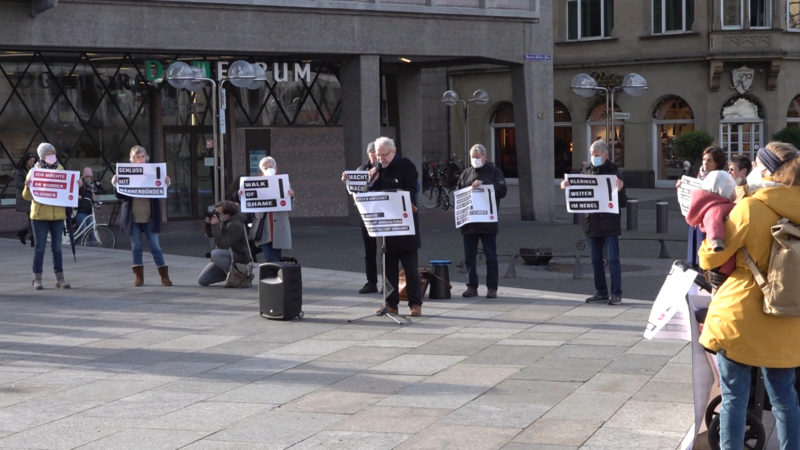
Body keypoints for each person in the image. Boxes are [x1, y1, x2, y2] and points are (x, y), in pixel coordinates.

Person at [698, 143, 800, 450]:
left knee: (734, 398)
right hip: (788, 317)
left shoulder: (751, 207)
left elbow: (712, 258)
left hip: (739, 319)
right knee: (785, 398)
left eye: (756, 163)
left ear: (767, 171)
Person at [560, 139, 624, 305]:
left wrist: (621, 188)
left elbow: (622, 201)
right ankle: (600, 292)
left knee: (613, 260)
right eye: (592, 155)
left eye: (597, 155)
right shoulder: (586, 169)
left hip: (609, 222)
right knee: (595, 260)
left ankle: (616, 294)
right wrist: (567, 185)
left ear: (606, 155)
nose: (594, 158)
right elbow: (579, 188)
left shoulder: (614, 171)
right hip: (592, 221)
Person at [369, 136, 422, 317]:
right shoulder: (375, 170)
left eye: (384, 155)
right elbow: (368, 198)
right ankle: (390, 304)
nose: (381, 159)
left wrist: (401, 193)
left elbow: (413, 191)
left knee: (411, 269)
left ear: (393, 152)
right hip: (386, 228)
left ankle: (415, 304)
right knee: (388, 269)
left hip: (405, 226)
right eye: (378, 155)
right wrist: (370, 182)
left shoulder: (407, 166)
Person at [112, 145, 172, 287]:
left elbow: (160, 192)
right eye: (137, 157)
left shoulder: (154, 172)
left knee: (155, 246)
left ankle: (164, 276)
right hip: (133, 218)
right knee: (136, 246)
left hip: (150, 217)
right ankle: (139, 277)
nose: (141, 159)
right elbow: (120, 195)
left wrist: (166, 185)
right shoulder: (126, 173)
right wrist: (116, 184)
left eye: (142, 156)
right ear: (132, 160)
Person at [457, 143, 507, 299]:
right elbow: (458, 192)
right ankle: (471, 286)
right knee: (469, 257)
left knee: (491, 256)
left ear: (484, 157)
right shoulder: (466, 174)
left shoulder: (494, 172)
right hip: (469, 222)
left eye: (478, 157)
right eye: (473, 157)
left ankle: (492, 288)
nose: (475, 160)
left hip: (487, 222)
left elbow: (502, 190)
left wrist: (485, 184)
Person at [22, 143, 72, 290]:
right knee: (40, 248)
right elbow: (26, 196)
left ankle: (60, 279)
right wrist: (27, 186)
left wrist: (75, 185)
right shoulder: (34, 171)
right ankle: (37, 278)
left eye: (53, 152)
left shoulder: (60, 169)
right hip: (39, 216)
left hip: (57, 215)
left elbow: (66, 190)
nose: (51, 155)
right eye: (48, 153)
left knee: (57, 248)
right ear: (42, 156)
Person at [685, 170, 737, 288]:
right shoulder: (716, 208)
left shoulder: (719, 205)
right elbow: (713, 223)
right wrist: (716, 241)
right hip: (719, 251)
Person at [342, 142, 379, 294]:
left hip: (384, 213)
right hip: (367, 214)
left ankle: (389, 282)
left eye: (377, 152)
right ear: (368, 154)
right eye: (372, 152)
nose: (375, 155)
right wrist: (347, 182)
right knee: (369, 251)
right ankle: (371, 282)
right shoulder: (361, 170)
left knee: (388, 250)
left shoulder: (386, 169)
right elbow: (354, 193)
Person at [680, 146, 727, 267]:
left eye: (709, 160)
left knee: (704, 258)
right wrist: (682, 186)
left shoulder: (721, 178)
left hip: (708, 223)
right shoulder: (697, 174)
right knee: (693, 258)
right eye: (704, 159)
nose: (705, 163)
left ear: (717, 163)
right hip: (695, 222)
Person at [198, 200, 253, 287]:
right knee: (203, 280)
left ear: (227, 215)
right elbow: (209, 235)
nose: (216, 215)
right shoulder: (223, 222)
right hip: (226, 258)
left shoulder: (236, 224)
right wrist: (208, 223)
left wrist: (215, 226)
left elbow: (223, 244)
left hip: (239, 258)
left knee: (216, 253)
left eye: (218, 213)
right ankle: (229, 275)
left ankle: (239, 277)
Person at [248, 156, 294, 262]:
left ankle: (274, 276)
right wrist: (243, 195)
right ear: (262, 170)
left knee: (275, 258)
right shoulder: (256, 183)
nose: (269, 169)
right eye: (265, 168)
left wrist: (291, 196)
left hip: (278, 228)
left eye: (270, 166)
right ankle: (272, 276)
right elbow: (249, 204)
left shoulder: (284, 182)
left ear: (276, 168)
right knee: (270, 258)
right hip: (264, 226)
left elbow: (290, 206)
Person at [14, 152, 37, 247]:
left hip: (32, 198)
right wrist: (26, 184)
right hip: (24, 198)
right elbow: (17, 184)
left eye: (34, 161)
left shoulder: (32, 169)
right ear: (26, 161)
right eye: (31, 161)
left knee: (32, 219)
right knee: (32, 218)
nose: (33, 163)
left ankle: (23, 233)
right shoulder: (20, 171)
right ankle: (32, 239)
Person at [75, 166, 98, 238]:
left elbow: (92, 197)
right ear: (84, 176)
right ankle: (77, 247)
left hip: (89, 212)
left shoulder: (91, 186)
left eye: (90, 177)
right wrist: (81, 187)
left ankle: (92, 247)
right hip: (81, 212)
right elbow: (76, 195)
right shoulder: (79, 184)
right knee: (82, 233)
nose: (89, 178)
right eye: (87, 176)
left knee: (92, 232)